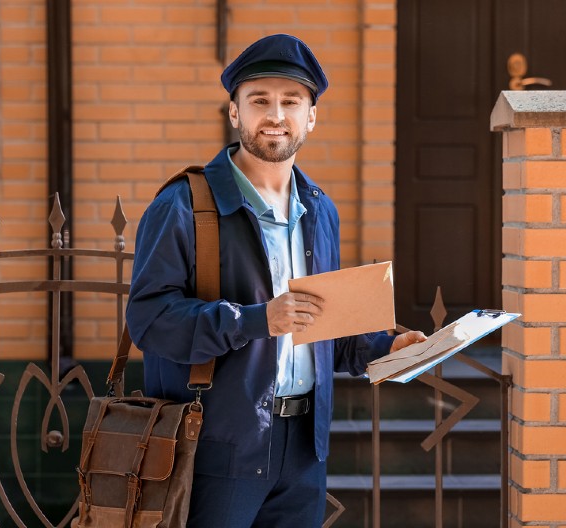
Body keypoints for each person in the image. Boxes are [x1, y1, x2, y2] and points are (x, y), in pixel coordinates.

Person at [126, 33, 426, 528]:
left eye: (292, 101)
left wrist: (385, 350)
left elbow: (322, 325)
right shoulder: (183, 205)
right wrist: (254, 320)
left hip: (305, 449)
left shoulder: (320, 210)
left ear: (311, 116)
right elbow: (149, 321)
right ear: (234, 113)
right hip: (217, 447)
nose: (276, 114)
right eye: (259, 100)